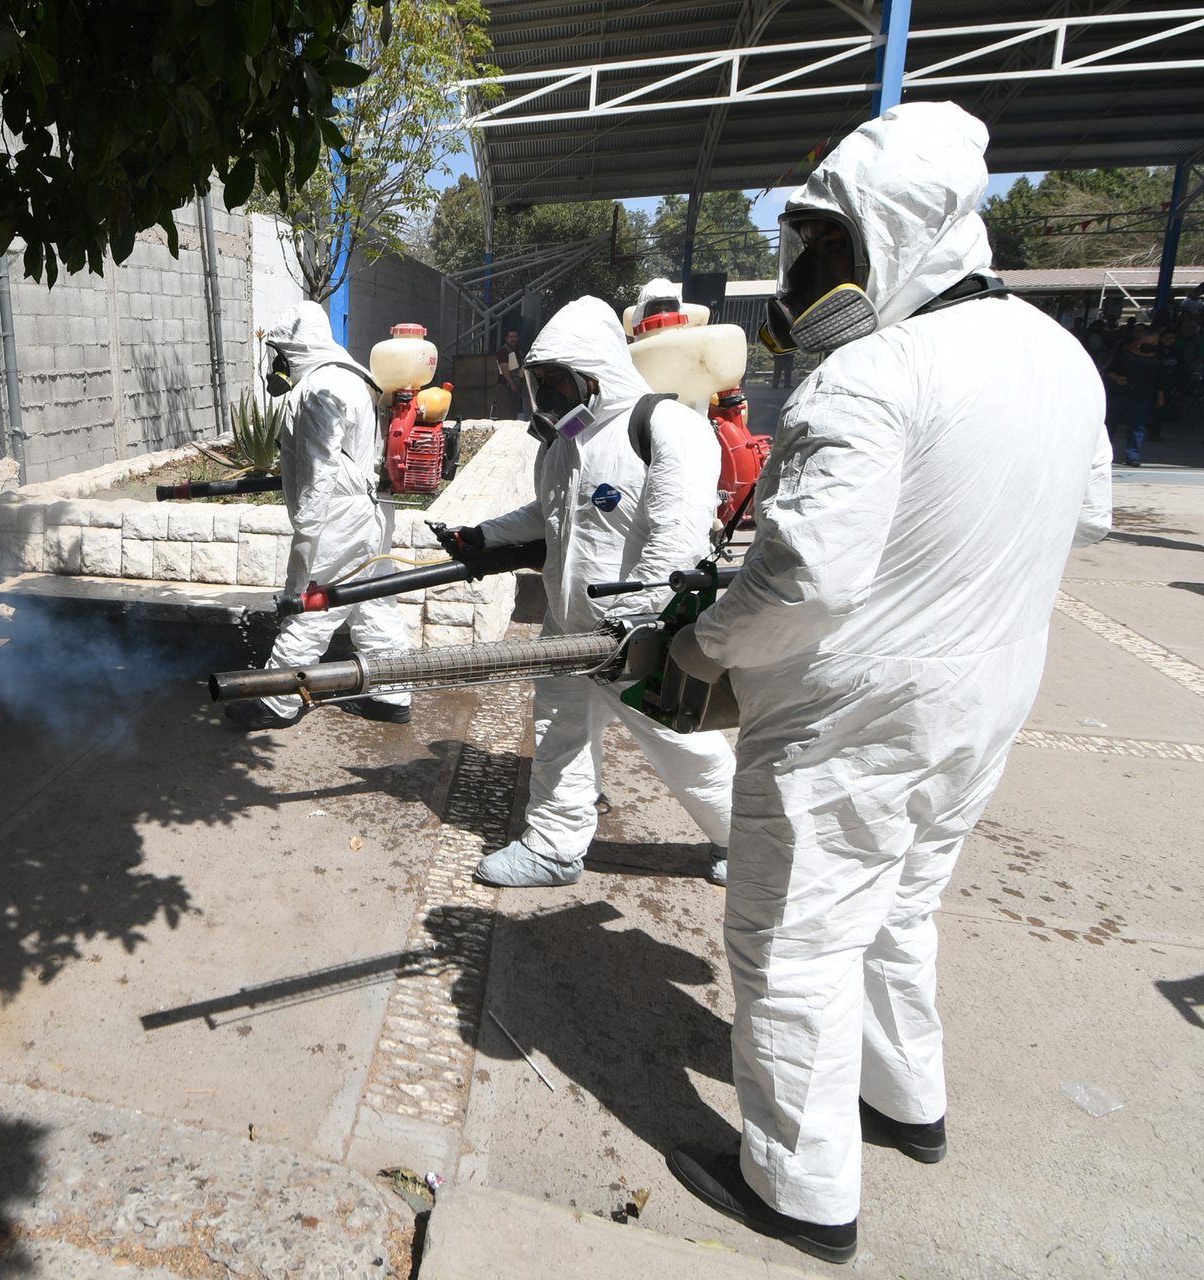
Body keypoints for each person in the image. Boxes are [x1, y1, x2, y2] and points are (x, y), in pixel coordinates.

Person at [662, 101, 1112, 1265]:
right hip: (987, 705)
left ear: (897, 233)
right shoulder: (1063, 359)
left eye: (824, 244)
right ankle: (907, 1102)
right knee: (900, 912)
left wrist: (703, 645)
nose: (803, 273)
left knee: (797, 943)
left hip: (848, 722)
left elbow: (804, 574)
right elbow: (1091, 515)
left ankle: (798, 1188)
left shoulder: (873, 375)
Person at [435, 296, 735, 888]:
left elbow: (677, 540)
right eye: (539, 381)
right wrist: (483, 536)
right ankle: (553, 846)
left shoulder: (665, 427)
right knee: (559, 732)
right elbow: (547, 516)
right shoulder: (562, 446)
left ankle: (752, 846)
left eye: (556, 382)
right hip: (570, 630)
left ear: (595, 375)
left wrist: (631, 628)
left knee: (683, 748)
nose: (546, 396)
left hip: (641, 637)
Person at [223, 301, 414, 730]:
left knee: (312, 602)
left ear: (295, 350)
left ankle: (277, 701)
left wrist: (306, 538)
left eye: (281, 355)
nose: (277, 364)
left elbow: (317, 471)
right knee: (371, 602)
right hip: (370, 512)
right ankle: (391, 694)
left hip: (337, 517)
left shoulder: (316, 390)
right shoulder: (350, 378)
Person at [1105, 325, 1160, 465]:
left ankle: (1133, 456)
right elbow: (1109, 371)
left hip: (1144, 396)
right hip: (1120, 394)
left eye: (1154, 343)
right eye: (1148, 342)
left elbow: (1160, 380)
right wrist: (1117, 378)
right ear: (1140, 342)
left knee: (1138, 426)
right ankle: (1104, 453)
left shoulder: (1158, 360)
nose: (1150, 345)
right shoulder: (1125, 354)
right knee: (1111, 423)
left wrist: (1160, 397)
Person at [1151, 327, 1184, 441]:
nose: (1168, 340)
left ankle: (1155, 432)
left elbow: (1181, 372)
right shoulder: (1154, 351)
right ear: (1161, 339)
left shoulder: (1177, 353)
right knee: (1148, 409)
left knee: (1161, 410)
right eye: (1166, 338)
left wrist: (1179, 389)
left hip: (1169, 386)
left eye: (1172, 338)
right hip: (1152, 386)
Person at [494, 329, 523, 418]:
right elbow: (504, 368)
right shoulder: (503, 351)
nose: (513, 339)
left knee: (513, 413)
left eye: (515, 336)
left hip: (516, 386)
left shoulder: (519, 350)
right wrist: (512, 384)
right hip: (505, 386)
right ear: (506, 338)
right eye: (511, 336)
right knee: (505, 413)